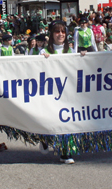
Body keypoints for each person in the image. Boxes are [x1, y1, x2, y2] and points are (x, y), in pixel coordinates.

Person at [39, 20, 75, 164]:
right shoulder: (44, 51)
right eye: (57, 32)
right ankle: (44, 138)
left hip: (66, 93)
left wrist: (83, 56)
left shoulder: (71, 51)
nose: (60, 35)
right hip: (50, 93)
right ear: (52, 34)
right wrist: (42, 60)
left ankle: (65, 153)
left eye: (63, 32)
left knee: (66, 122)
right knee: (51, 120)